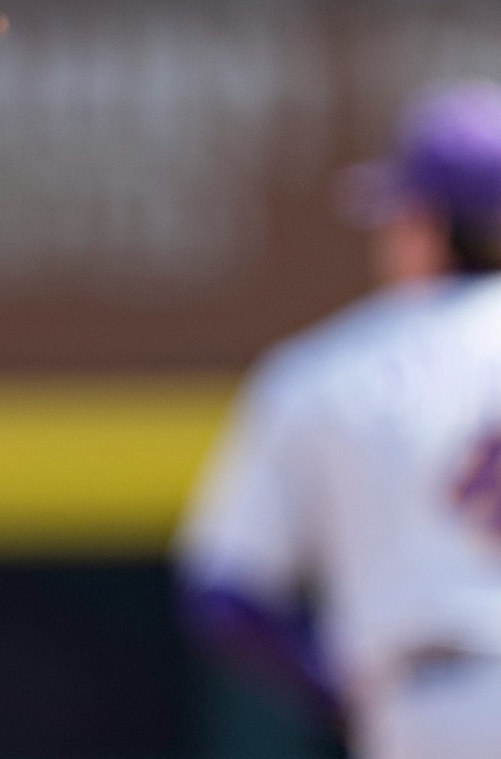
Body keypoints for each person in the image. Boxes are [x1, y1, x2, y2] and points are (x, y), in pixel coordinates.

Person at [177, 82, 501, 759]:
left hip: (427, 708)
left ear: (427, 224)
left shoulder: (328, 370)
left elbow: (225, 597)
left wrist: (341, 689)